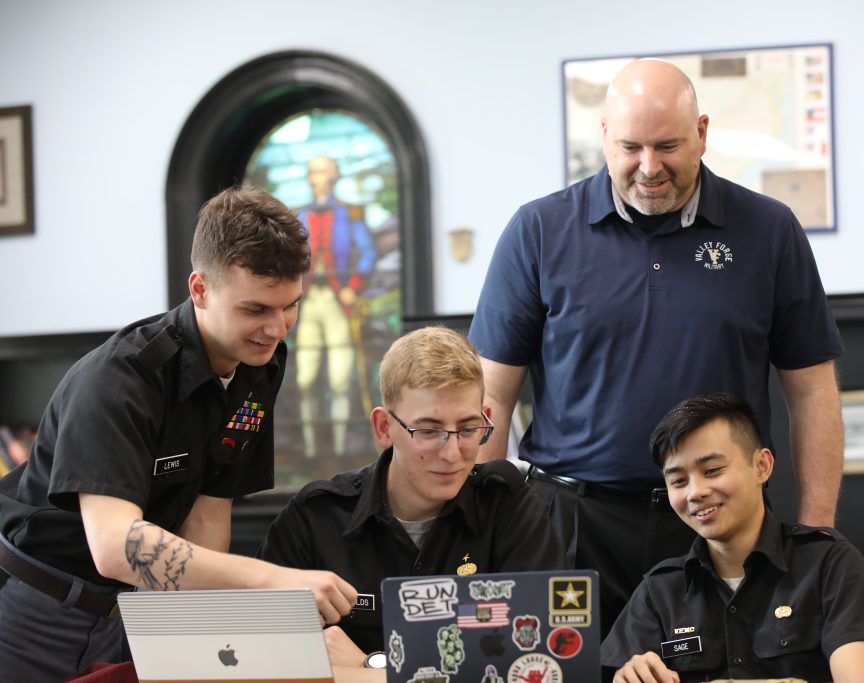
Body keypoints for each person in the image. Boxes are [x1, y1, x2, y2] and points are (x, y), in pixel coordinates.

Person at [468, 58, 845, 635]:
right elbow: (489, 394)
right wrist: (479, 529)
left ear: (701, 133)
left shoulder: (770, 230)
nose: (649, 168)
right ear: (603, 139)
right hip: (570, 526)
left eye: (668, 145)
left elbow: (813, 390)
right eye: (630, 147)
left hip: (718, 518)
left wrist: (816, 535)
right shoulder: (537, 230)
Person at [0, 187, 358, 682]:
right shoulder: (119, 379)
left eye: (291, 305)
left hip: (135, 610)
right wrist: (272, 581)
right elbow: (115, 546)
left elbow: (210, 511)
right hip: (36, 605)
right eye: (255, 309)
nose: (277, 329)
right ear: (200, 289)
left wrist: (202, 637)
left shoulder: (260, 364)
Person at [256, 326, 565, 671]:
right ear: (384, 428)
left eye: (466, 429)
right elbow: (262, 656)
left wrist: (372, 668)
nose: (452, 454)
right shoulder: (313, 520)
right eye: (429, 431)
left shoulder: (510, 507)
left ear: (485, 421)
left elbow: (537, 659)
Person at [601, 393, 864, 683]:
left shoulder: (830, 565)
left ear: (761, 466)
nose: (695, 492)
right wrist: (628, 675)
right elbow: (625, 673)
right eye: (679, 480)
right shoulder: (659, 590)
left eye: (712, 470)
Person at [295, 155, 380, 458]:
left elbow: (369, 254)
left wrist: (352, 287)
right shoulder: (299, 216)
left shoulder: (349, 213)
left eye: (319, 172)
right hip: (308, 301)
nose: (314, 177)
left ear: (332, 176)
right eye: (311, 172)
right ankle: (311, 450)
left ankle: (341, 450)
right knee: (305, 376)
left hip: (337, 301)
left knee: (341, 377)